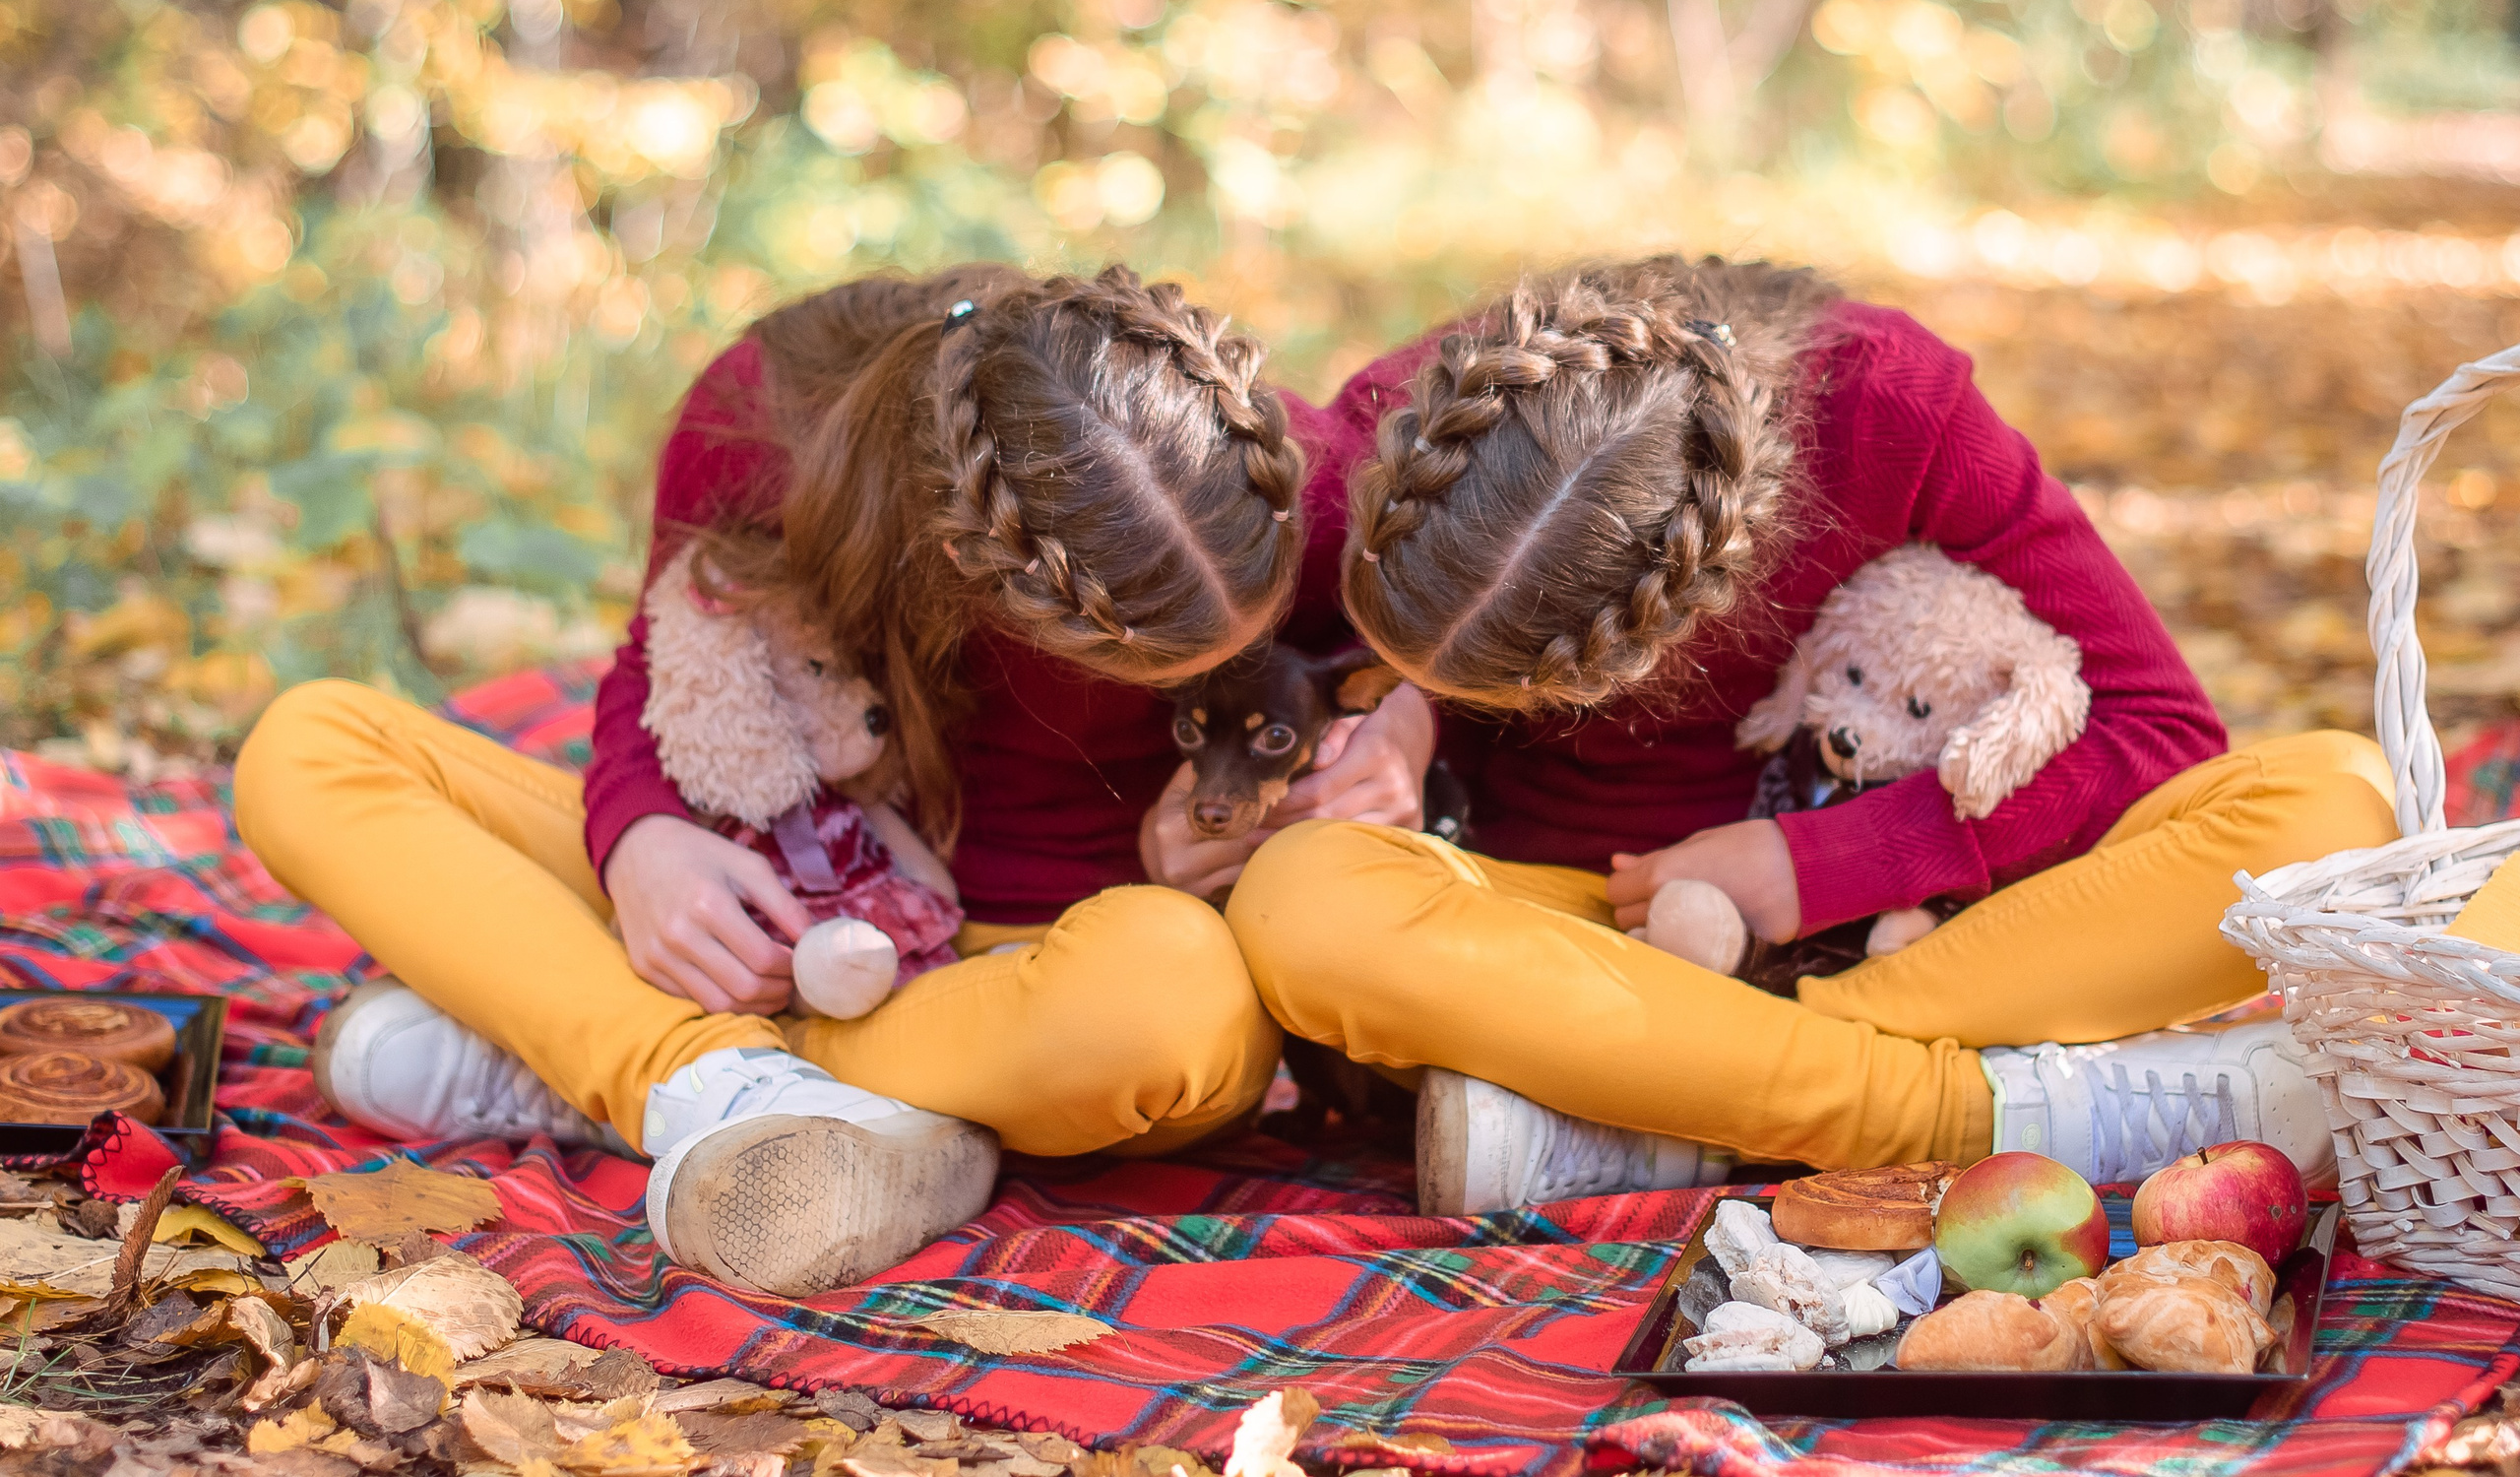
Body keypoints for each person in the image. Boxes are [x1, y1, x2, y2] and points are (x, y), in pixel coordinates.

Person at [234, 265, 1430, 1295]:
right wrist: (639, 834)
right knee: (312, 744)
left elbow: (1451, 654)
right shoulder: (770, 426)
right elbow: (668, 654)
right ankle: (731, 1086)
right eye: (1153, 667)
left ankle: (620, 1056)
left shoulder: (1275, 476)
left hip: (1048, 987)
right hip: (801, 906)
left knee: (1171, 1001)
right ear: (967, 567)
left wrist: (1397, 732)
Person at [1226, 256, 2398, 1214]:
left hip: (1920, 943)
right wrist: (1384, 722)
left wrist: (1814, 864)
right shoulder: (1397, 444)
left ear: (1676, 624)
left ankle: (1691, 1108)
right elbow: (1187, 699)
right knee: (1305, 898)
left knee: (2337, 804)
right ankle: (1983, 1115)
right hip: (1591, 949)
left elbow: (2160, 729)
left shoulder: (1887, 404)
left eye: (1506, 694)